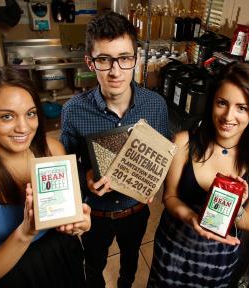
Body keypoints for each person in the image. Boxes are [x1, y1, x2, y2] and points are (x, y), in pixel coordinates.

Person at [0, 66, 91, 287]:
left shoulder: (53, 149)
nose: (24, 128)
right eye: (7, 116)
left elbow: (66, 213)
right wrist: (25, 232)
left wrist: (79, 223)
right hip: (13, 275)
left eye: (30, 114)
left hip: (62, 257)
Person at [60, 11, 169, 288]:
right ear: (90, 62)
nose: (115, 70)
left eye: (124, 58)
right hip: (95, 214)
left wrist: (156, 181)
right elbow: (67, 166)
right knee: (94, 265)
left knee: (130, 259)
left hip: (135, 211)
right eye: (104, 59)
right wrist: (84, 177)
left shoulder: (155, 106)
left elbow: (164, 152)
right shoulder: (73, 111)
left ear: (136, 59)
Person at [148, 62, 249, 287]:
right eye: (222, 103)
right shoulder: (184, 142)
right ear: (211, 103)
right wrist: (192, 218)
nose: (229, 116)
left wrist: (237, 210)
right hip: (174, 246)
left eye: (242, 108)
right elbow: (169, 197)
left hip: (217, 258)